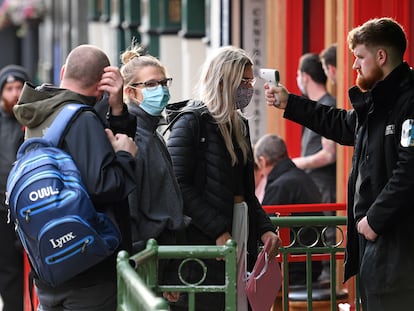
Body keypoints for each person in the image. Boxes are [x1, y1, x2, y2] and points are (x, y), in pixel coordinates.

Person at [264, 17, 414, 311]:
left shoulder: (407, 102)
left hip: (398, 249)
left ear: (381, 57)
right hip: (377, 247)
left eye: (360, 57)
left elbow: (409, 171)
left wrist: (374, 221)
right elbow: (341, 123)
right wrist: (289, 103)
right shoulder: (376, 103)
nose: (355, 66)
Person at [13, 44, 138, 311]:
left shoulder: (37, 113)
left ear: (62, 72)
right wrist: (126, 155)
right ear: (102, 87)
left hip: (50, 267)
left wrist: (117, 115)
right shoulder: (82, 119)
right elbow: (103, 186)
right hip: (89, 270)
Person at [167, 45, 281, 311]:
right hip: (206, 239)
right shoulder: (191, 122)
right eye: (243, 81)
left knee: (239, 301)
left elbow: (247, 191)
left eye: (250, 81)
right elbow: (178, 184)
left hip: (239, 228)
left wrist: (265, 228)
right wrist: (217, 229)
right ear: (223, 81)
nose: (248, 89)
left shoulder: (239, 124)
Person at [119, 42, 189, 301]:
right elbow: (131, 206)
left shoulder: (151, 131)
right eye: (150, 85)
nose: (160, 90)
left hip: (163, 257)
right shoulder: (134, 135)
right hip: (149, 259)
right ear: (130, 92)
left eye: (163, 82)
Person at [254, 134, 324, 286]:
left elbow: (265, 226)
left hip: (292, 268)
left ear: (262, 161)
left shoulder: (280, 186)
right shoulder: (303, 178)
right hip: (313, 263)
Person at [0, 65, 30, 311]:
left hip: (31, 209)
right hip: (2, 214)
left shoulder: (36, 120)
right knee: (8, 270)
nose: (15, 93)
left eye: (19, 87)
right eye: (9, 88)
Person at [293, 53, 337, 204]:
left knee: (327, 228)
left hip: (325, 188)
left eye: (298, 74)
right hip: (315, 187)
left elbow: (329, 155)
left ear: (305, 76)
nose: (297, 79)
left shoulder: (327, 105)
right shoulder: (317, 105)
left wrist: (296, 163)